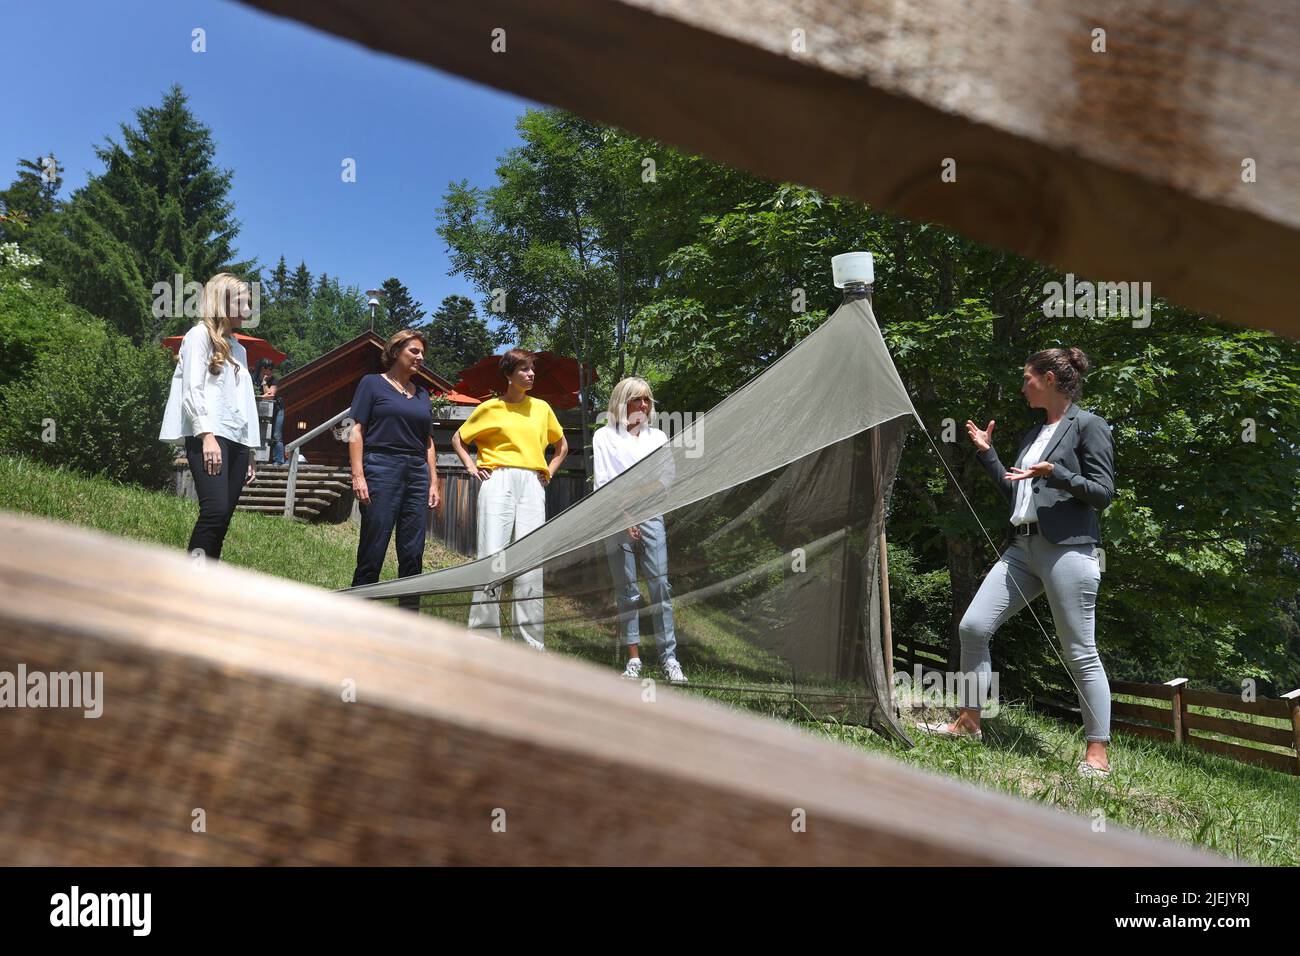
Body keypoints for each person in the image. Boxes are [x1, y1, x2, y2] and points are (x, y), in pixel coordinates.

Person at [923, 347, 1116, 778]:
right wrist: (988, 454)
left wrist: (1056, 473)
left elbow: (1103, 492)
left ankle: (1097, 753)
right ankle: (969, 722)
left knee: (1080, 651)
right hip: (1021, 549)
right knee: (972, 627)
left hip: (1068, 549)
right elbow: (1018, 493)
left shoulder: (1088, 425)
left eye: (1027, 378)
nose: (1021, 386)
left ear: (1049, 378)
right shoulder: (1032, 436)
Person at [451, 348, 568, 649]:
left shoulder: (542, 408)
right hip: (497, 479)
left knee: (530, 561)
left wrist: (549, 472)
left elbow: (562, 446)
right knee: (492, 557)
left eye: (532, 370)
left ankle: (531, 645)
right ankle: (483, 641)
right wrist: (470, 465)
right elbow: (458, 439)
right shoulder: (490, 408)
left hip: (532, 482)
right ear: (508, 374)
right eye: (524, 370)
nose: (530, 375)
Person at [159, 273, 260, 561]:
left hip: (237, 441)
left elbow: (245, 402)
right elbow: (192, 389)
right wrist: (206, 436)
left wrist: (250, 450)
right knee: (214, 510)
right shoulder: (198, 336)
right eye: (243, 302)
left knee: (223, 518)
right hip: (209, 437)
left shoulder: (239, 349)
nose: (249, 310)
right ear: (223, 301)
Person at [592, 377, 686, 683]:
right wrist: (624, 515)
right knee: (627, 589)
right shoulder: (604, 436)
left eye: (647, 399)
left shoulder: (657, 437)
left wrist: (635, 501)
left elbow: (666, 477)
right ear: (622, 402)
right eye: (637, 399)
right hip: (613, 517)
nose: (643, 405)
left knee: (660, 585)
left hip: (651, 513)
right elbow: (604, 482)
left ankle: (669, 658)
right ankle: (634, 659)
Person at [349, 329, 443, 612]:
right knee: (374, 546)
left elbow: (428, 442)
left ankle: (408, 618)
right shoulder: (372, 384)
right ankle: (358, 614)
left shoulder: (423, 395)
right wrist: (358, 475)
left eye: (422, 353)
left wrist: (433, 482)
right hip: (381, 468)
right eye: (414, 351)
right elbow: (356, 432)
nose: (420, 357)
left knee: (413, 551)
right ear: (395, 351)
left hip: (416, 472)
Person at [255, 358, 285, 464]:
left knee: (276, 435)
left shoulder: (274, 380)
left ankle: (279, 461)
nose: (271, 372)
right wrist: (262, 396)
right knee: (260, 434)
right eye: (270, 369)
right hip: (260, 410)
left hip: (277, 409)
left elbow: (271, 396)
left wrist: (264, 383)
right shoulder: (253, 379)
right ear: (263, 368)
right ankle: (258, 460)